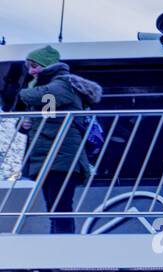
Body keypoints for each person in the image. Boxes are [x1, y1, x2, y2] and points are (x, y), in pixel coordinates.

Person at [15, 45, 102, 234]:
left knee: (60, 207)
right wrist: (23, 125)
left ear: (47, 65)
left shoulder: (62, 83)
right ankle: (58, 246)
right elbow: (49, 115)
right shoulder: (47, 87)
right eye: (29, 67)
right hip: (49, 157)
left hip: (62, 157)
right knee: (55, 208)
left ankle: (63, 246)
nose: (31, 72)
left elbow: (47, 97)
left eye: (34, 66)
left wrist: (20, 92)